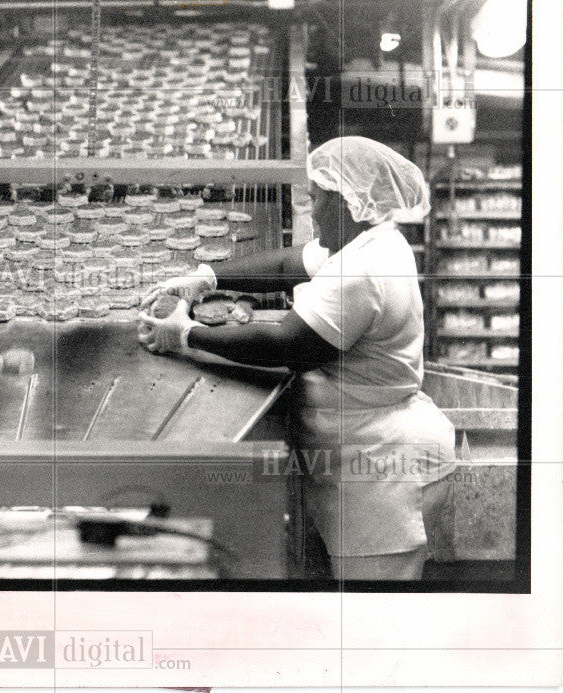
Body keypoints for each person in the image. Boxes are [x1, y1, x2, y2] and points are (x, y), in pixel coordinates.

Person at [138, 136, 455, 581]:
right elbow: (289, 264)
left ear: (349, 203)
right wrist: (205, 278)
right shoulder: (371, 240)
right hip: (364, 453)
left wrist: (186, 336)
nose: (312, 211)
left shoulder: (361, 271)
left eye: (316, 199)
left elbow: (287, 347)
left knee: (371, 621)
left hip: (383, 470)